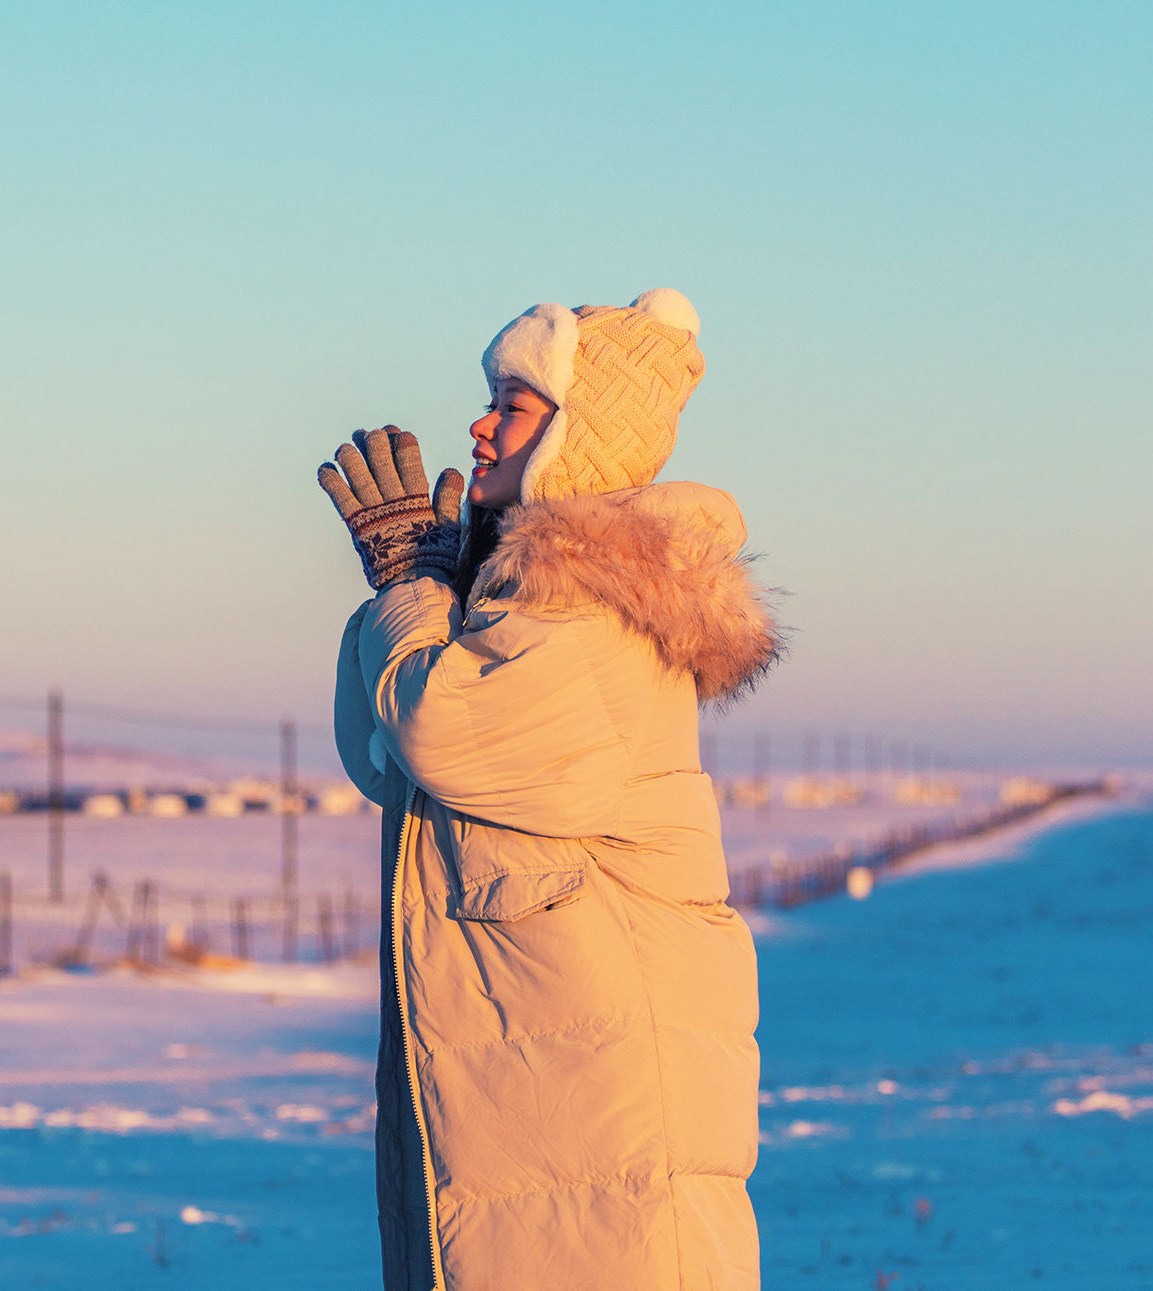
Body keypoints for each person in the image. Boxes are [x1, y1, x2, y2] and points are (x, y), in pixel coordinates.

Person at [318, 290, 782, 1289]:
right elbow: (380, 758)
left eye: (515, 404)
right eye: (489, 399)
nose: (481, 423)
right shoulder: (521, 604)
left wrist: (411, 581)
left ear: (581, 434)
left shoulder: (601, 599)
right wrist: (432, 588)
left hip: (598, 1116)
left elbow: (442, 730)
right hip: (541, 1108)